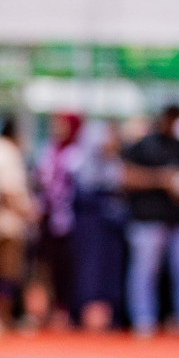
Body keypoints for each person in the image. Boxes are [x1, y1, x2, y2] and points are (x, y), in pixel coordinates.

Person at [122, 105, 179, 337]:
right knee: (145, 271)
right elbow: (126, 176)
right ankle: (143, 319)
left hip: (177, 220)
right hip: (148, 219)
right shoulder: (144, 145)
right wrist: (162, 180)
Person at [70, 121, 127, 332]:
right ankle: (84, 313)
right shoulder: (84, 164)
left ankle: (111, 314)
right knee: (90, 269)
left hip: (111, 223)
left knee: (111, 269)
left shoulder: (114, 163)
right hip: (91, 220)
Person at [0, 119, 35, 325]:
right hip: (7, 224)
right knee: (6, 274)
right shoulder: (7, 152)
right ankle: (2, 317)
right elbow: (6, 190)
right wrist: (27, 213)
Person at [34, 113, 83, 326]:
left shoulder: (77, 154)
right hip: (47, 217)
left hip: (70, 219)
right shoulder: (47, 151)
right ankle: (48, 308)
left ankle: (66, 309)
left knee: (68, 266)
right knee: (46, 265)